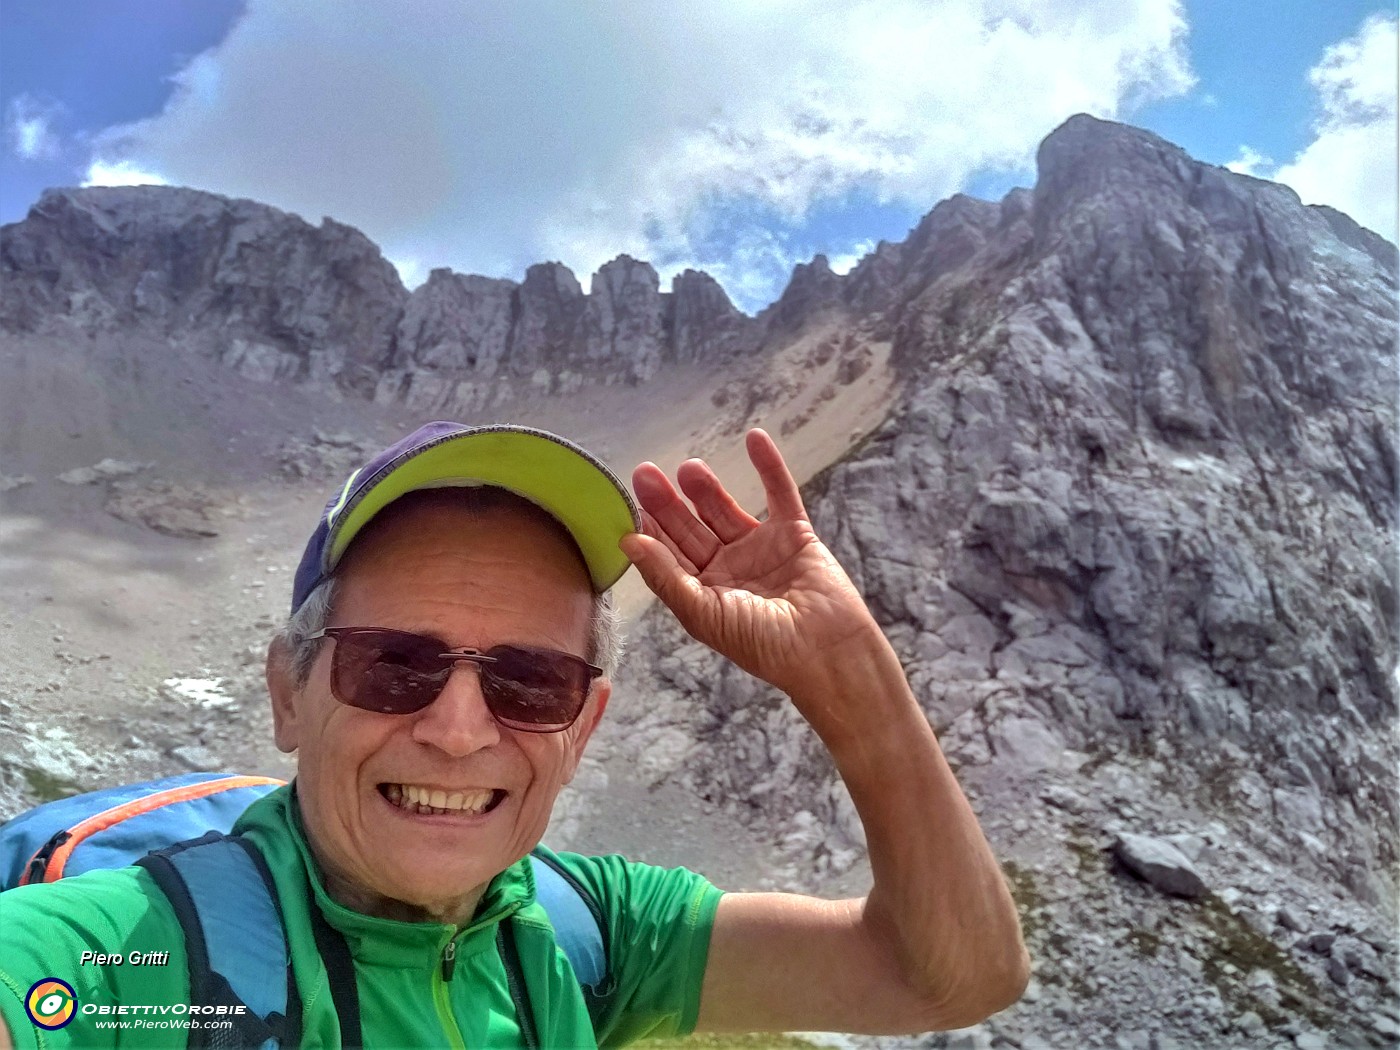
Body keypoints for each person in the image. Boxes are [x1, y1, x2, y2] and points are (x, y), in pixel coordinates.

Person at [0, 422, 1028, 1048]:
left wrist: (854, 681)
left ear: (581, 727)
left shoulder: (593, 930)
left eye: (528, 682)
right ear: (288, 693)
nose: (456, 730)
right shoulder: (139, 956)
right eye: (391, 664)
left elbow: (946, 977)